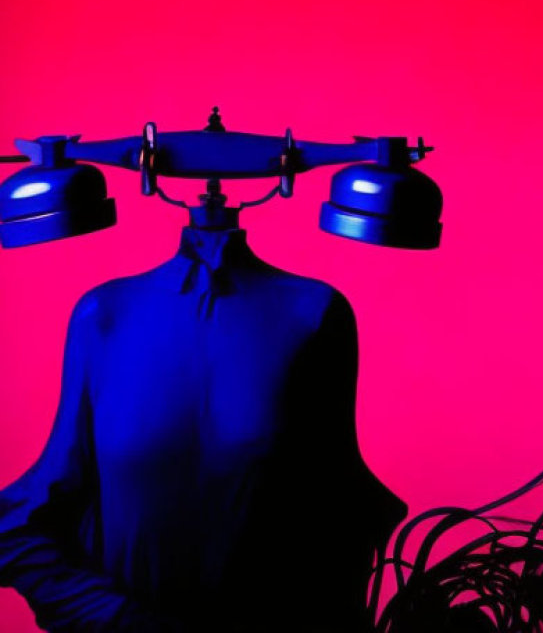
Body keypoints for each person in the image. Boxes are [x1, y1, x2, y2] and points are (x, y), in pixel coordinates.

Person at [0, 220, 406, 632]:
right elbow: (21, 524)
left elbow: (341, 519)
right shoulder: (103, 316)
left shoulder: (315, 315)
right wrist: (122, 620)